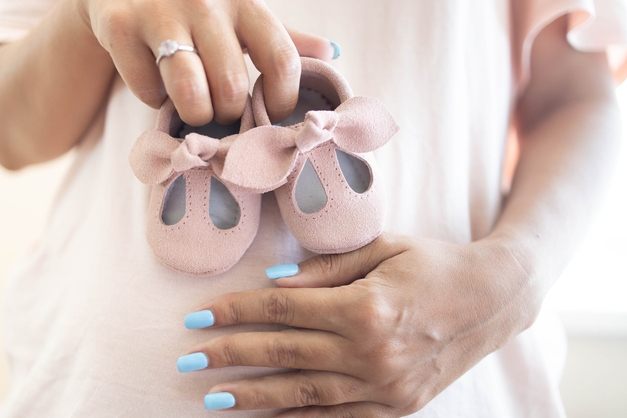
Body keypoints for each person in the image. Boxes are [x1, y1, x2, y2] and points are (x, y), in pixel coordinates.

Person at [0, 0, 625, 416]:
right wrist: (89, 8)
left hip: (447, 382)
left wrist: (517, 278)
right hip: (97, 390)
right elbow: (14, 130)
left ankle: (303, 129)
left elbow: (577, 95)